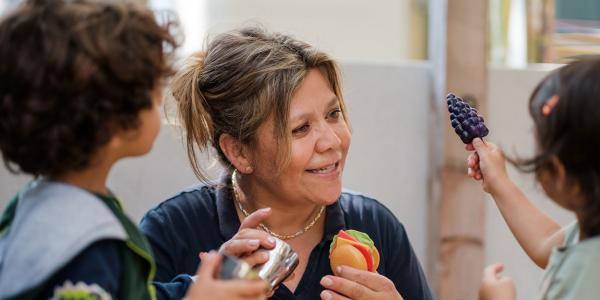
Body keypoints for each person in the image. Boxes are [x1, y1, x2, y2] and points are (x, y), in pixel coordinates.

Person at [140, 27, 434, 300]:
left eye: (333, 114)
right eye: (301, 128)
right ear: (239, 151)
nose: (331, 140)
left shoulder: (377, 226)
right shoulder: (172, 230)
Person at [0, 1, 267, 299]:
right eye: (154, 91)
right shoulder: (87, 247)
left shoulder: (37, 208)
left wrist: (202, 283)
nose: (160, 100)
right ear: (114, 123)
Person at [467, 56, 600, 299]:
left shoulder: (584, 280)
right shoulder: (590, 233)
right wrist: (498, 181)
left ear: (558, 172)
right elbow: (549, 243)